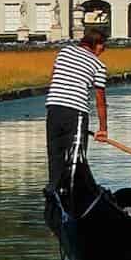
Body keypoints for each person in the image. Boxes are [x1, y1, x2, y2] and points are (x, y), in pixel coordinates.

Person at [46, 26, 109, 198]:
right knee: (77, 157)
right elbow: (100, 101)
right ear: (97, 44)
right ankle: (73, 195)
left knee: (55, 154)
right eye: (104, 46)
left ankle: (54, 191)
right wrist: (103, 129)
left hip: (53, 108)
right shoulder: (98, 65)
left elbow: (53, 77)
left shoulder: (64, 52)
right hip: (77, 112)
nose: (104, 50)